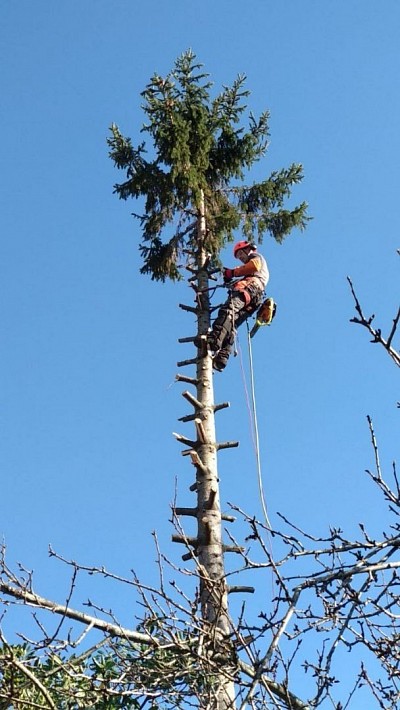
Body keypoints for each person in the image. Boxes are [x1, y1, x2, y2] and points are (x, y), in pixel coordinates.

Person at [208, 241, 269, 371]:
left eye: (241, 253)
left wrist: (232, 273)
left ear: (249, 249)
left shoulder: (256, 257)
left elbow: (253, 266)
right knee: (232, 323)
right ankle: (222, 358)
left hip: (250, 289)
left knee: (228, 311)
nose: (240, 257)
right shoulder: (254, 272)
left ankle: (214, 340)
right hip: (255, 297)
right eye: (238, 256)